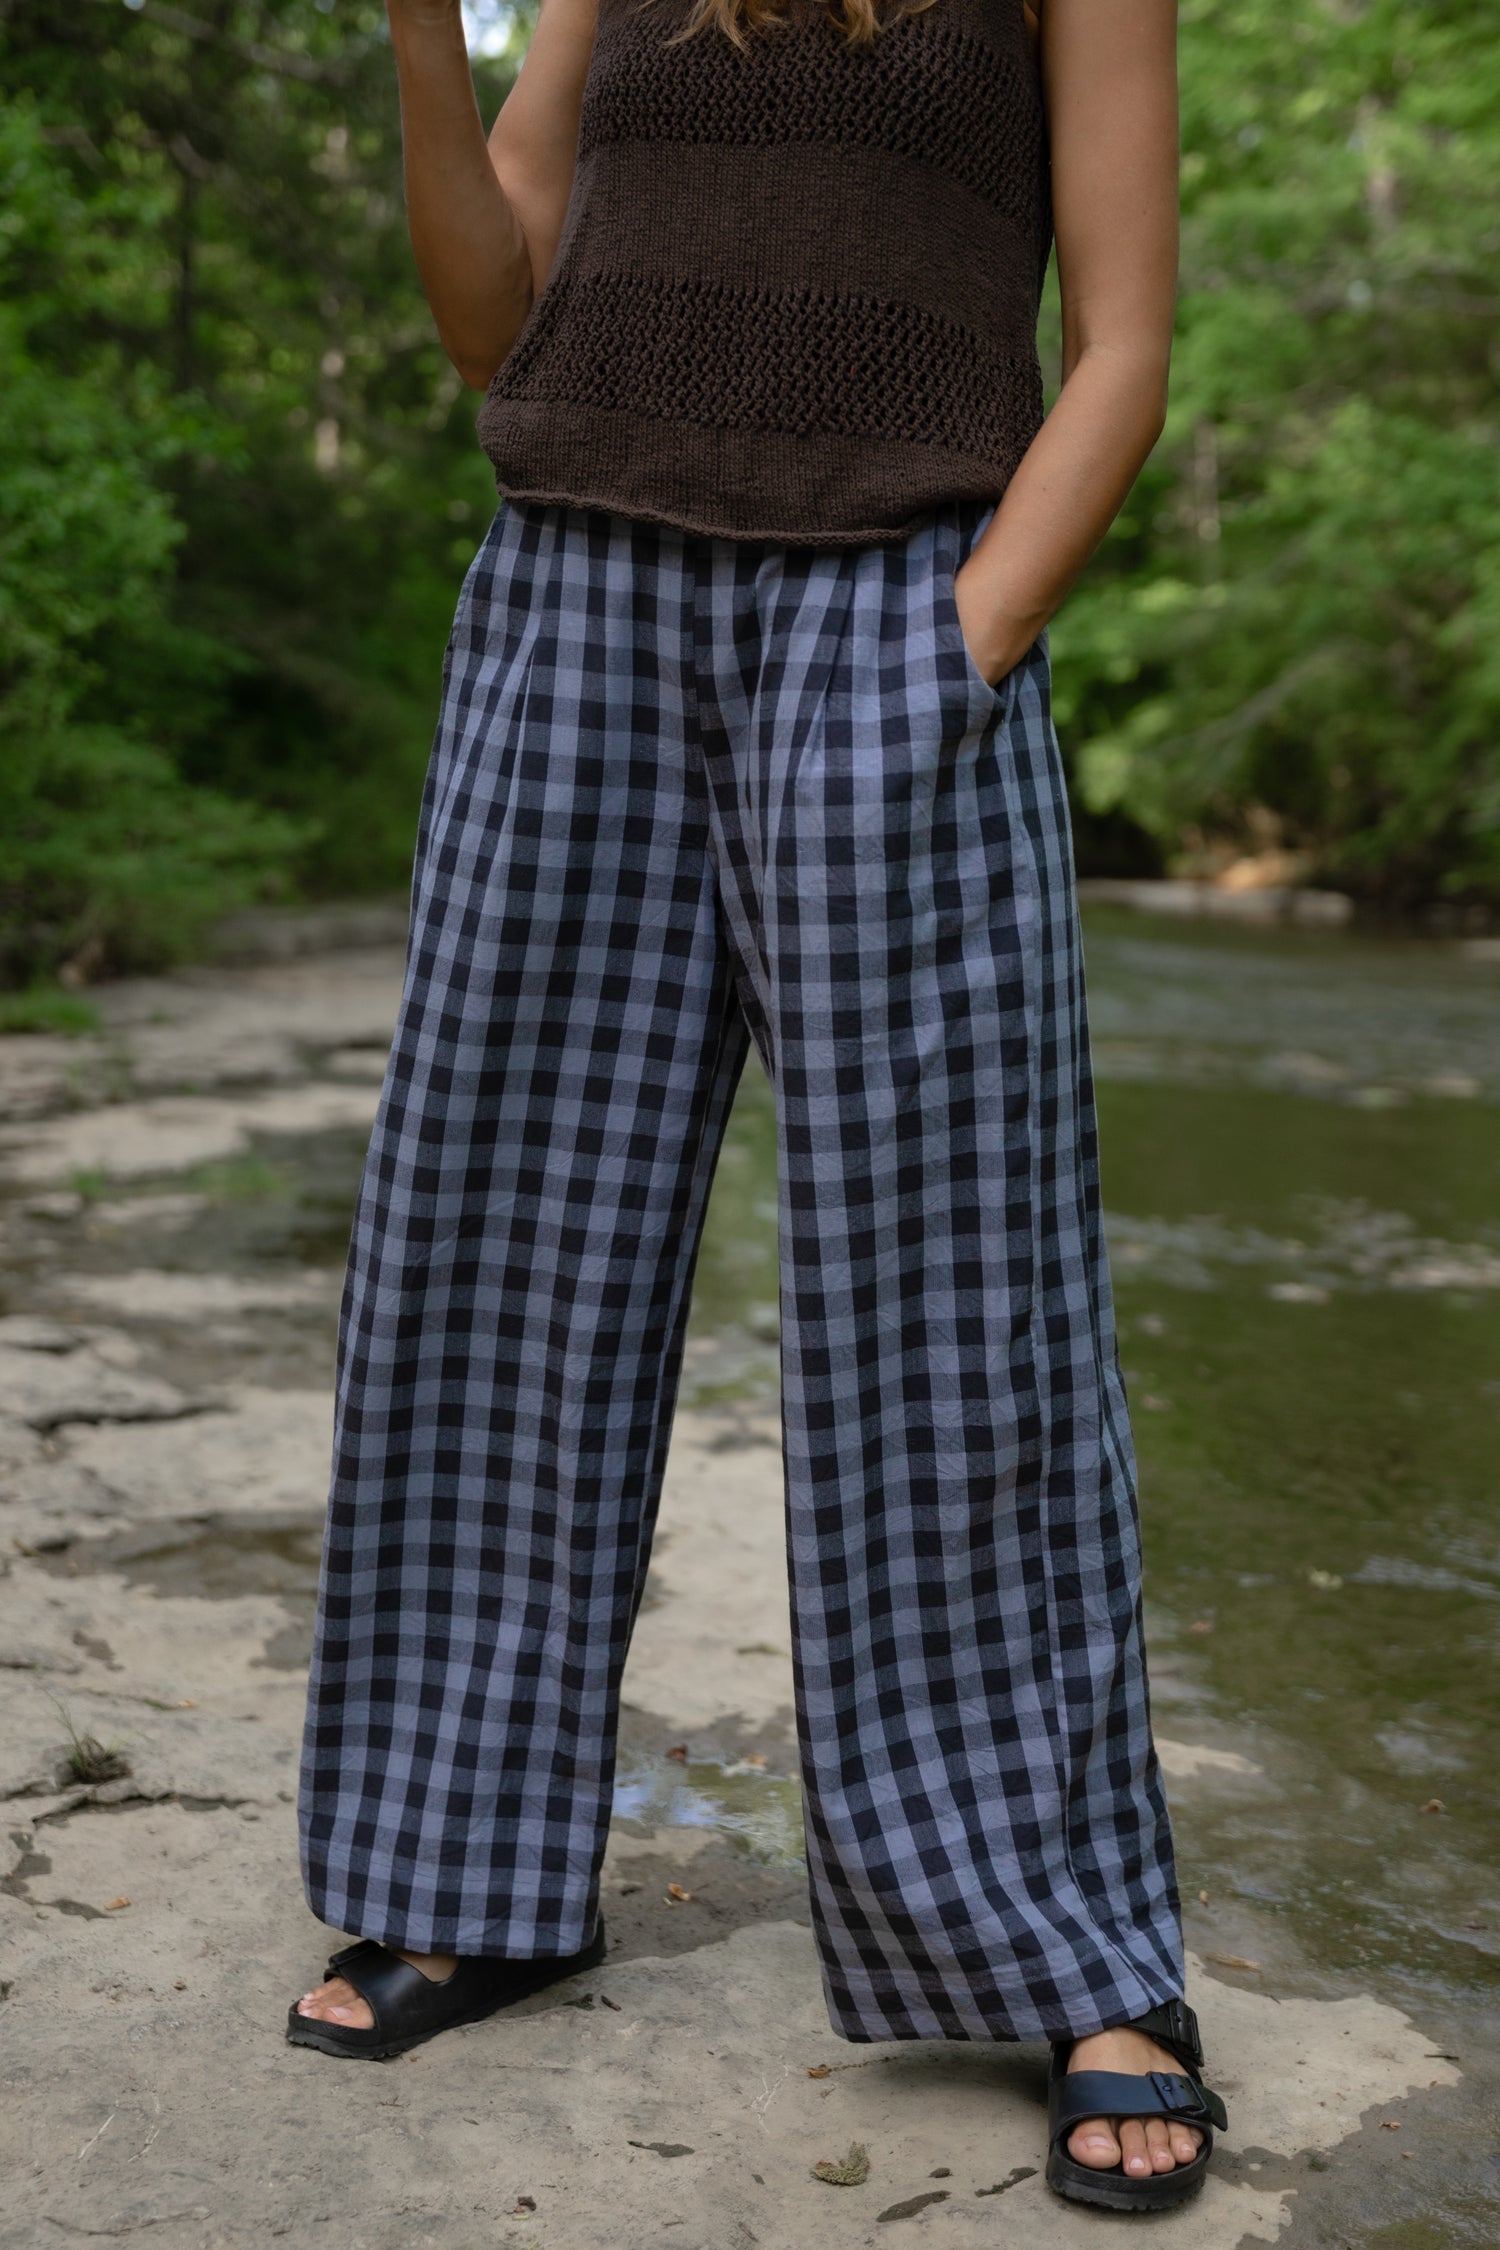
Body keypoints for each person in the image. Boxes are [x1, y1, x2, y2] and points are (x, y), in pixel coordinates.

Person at [287, 0, 1228, 2212]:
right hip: (575, 605)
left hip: (898, 611)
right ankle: (463, 1871)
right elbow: (491, 318)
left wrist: (968, 637)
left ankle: (1065, 1944)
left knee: (962, 1304)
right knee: (499, 1261)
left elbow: (1122, 344)